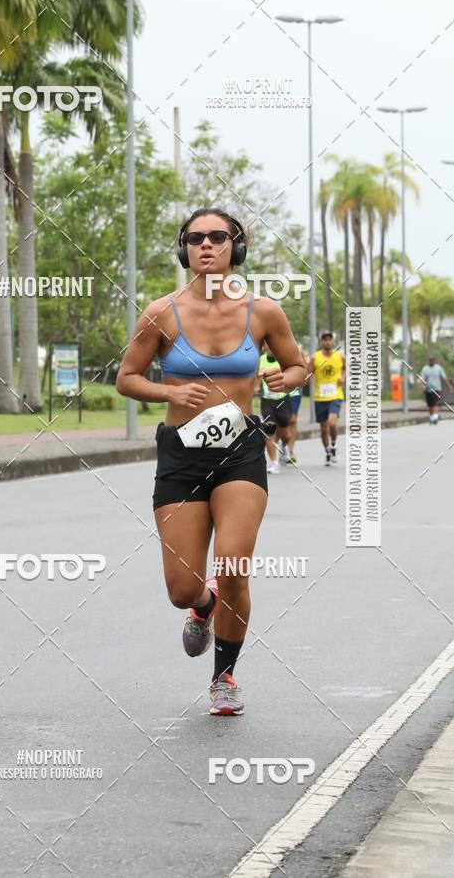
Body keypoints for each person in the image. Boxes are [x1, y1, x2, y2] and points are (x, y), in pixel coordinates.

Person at [116, 207, 306, 716]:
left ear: (236, 247)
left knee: (235, 566)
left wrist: (291, 378)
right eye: (195, 238)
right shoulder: (161, 313)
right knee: (181, 590)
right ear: (184, 250)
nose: (206, 245)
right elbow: (127, 377)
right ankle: (203, 605)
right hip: (181, 454)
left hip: (240, 451)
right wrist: (168, 390)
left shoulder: (263, 311)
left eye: (217, 237)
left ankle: (224, 676)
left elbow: (296, 363)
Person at [308, 332, 345, 466]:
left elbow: (345, 369)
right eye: (325, 340)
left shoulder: (339, 356)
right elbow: (309, 372)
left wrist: (343, 378)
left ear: (333, 342)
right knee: (323, 428)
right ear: (321, 342)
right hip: (320, 396)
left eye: (330, 340)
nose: (328, 342)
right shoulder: (315, 357)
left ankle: (334, 445)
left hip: (335, 395)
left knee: (332, 423)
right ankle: (328, 452)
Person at [254, 343, 292, 475]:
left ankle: (283, 446)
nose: (270, 349)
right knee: (269, 430)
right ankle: (274, 463)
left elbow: (291, 377)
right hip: (267, 401)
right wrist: (256, 387)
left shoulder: (283, 360)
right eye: (268, 347)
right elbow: (257, 377)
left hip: (283, 400)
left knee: (286, 434)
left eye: (273, 346)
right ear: (265, 348)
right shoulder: (261, 360)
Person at [418, 355, 453, 424]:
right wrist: (423, 386)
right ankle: (432, 418)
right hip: (428, 389)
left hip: (437, 389)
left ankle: (435, 417)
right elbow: (422, 379)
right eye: (430, 360)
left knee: (435, 403)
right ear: (428, 361)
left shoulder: (438, 368)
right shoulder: (425, 369)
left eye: (432, 360)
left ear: (434, 361)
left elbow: (444, 378)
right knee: (430, 405)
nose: (431, 361)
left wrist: (449, 386)